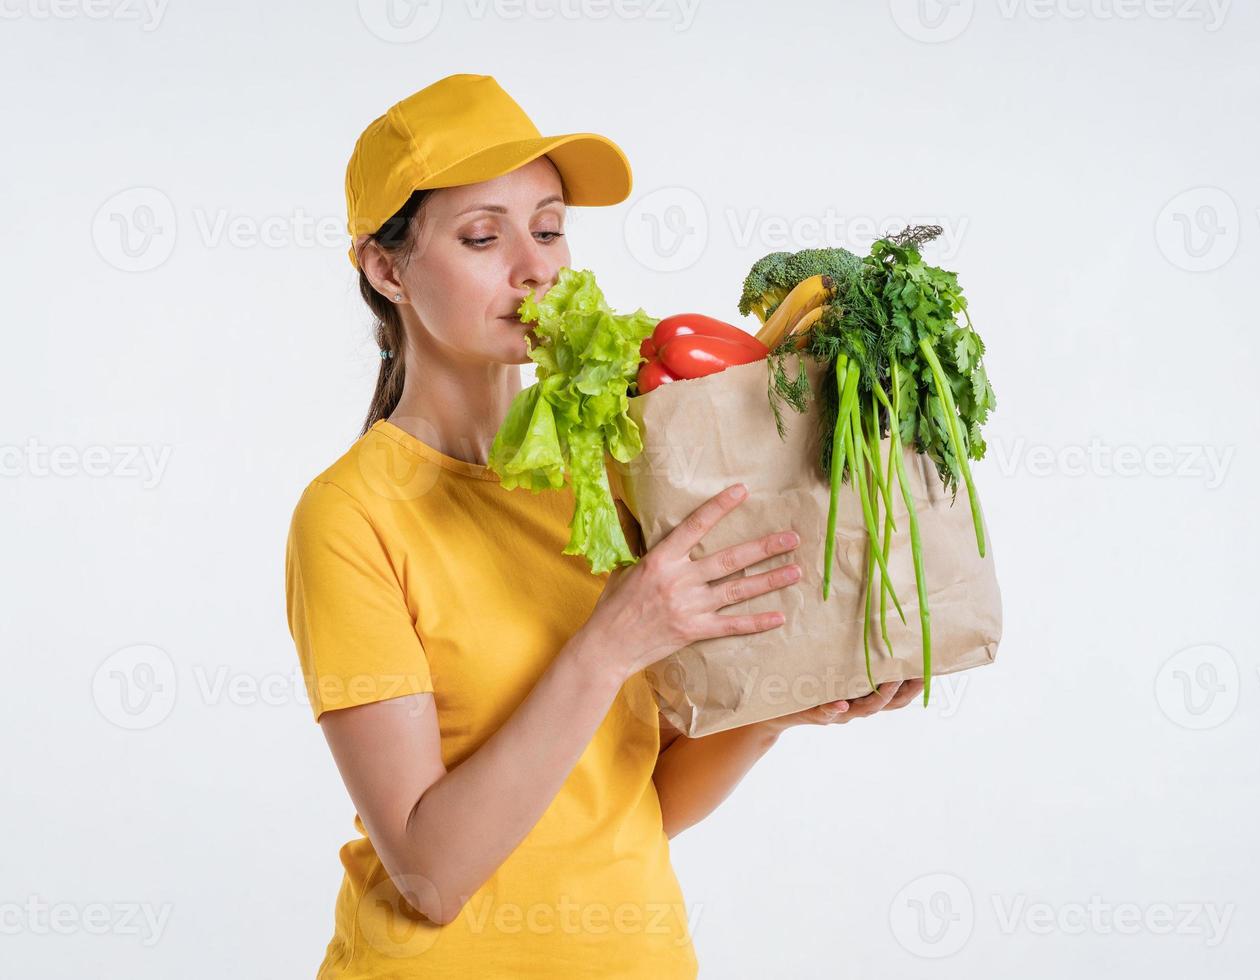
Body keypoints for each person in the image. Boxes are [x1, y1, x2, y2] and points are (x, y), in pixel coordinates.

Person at [284, 73, 923, 979]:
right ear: (386, 268)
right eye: (481, 235)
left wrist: (783, 709)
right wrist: (611, 642)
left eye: (548, 228)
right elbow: (428, 874)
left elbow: (643, 798)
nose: (535, 264)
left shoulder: (610, 466)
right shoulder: (350, 518)